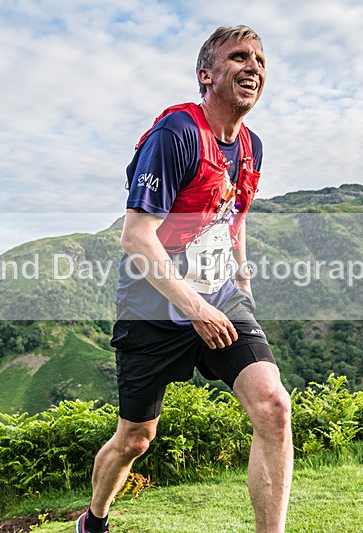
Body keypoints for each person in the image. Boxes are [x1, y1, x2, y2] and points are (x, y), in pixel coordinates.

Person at [78, 25, 292, 533]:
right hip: (153, 308)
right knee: (135, 438)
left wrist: (239, 274)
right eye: (239, 57)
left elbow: (232, 213)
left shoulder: (252, 146)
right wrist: (196, 308)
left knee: (274, 407)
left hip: (221, 298)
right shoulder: (175, 135)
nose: (253, 67)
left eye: (260, 60)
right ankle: (95, 519)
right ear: (207, 75)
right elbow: (136, 237)